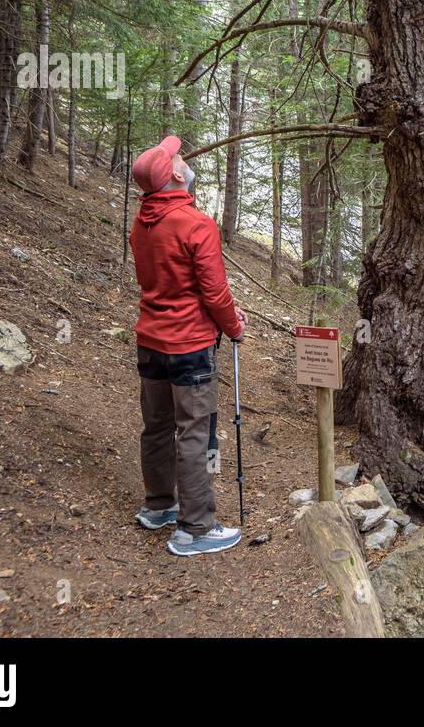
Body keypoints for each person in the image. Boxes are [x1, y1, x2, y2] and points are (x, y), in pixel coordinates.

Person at [128, 135, 248, 556]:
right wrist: (234, 327)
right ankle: (195, 529)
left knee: (157, 427)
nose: (182, 156)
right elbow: (214, 293)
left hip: (150, 341)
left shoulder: (143, 222)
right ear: (176, 174)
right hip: (189, 347)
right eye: (177, 156)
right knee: (194, 432)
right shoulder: (196, 224)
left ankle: (159, 506)